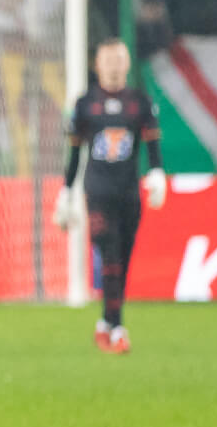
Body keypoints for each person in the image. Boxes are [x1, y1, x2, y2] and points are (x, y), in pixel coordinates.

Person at [54, 40, 164, 355]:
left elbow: (152, 145)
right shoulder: (85, 104)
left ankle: (105, 322)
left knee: (123, 261)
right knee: (111, 254)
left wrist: (157, 173)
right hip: (98, 192)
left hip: (128, 193)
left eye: (119, 60)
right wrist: (67, 191)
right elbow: (75, 152)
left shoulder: (139, 103)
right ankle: (117, 330)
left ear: (127, 64)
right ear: (97, 65)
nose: (114, 66)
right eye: (108, 60)